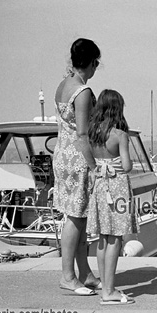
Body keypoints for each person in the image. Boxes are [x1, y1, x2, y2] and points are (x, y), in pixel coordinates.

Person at [54, 38, 101, 296]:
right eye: (96, 63)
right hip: (78, 159)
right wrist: (94, 167)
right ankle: (68, 276)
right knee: (74, 218)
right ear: (91, 63)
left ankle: (84, 273)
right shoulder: (82, 92)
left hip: (62, 155)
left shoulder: (63, 85)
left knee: (79, 217)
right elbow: (83, 135)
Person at [87, 89, 139, 305]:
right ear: (118, 109)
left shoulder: (93, 134)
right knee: (115, 238)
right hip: (116, 188)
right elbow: (126, 166)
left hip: (99, 186)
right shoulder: (120, 135)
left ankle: (105, 287)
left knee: (102, 238)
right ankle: (109, 292)